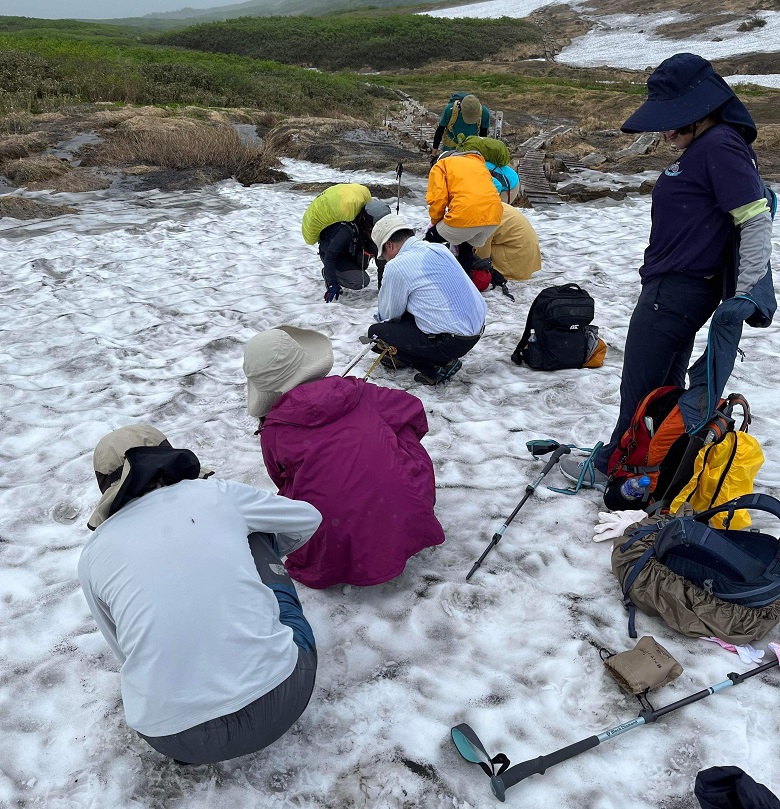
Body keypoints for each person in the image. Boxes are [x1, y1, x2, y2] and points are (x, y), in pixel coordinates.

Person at [558, 53, 775, 490]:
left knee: (639, 383)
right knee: (663, 385)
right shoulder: (708, 146)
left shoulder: (719, 146)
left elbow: (754, 218)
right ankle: (653, 458)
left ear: (700, 111)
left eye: (673, 118)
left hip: (677, 289)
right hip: (679, 288)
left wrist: (747, 291)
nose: (664, 129)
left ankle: (612, 465)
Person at [78, 424, 322, 765]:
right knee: (257, 530)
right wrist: (252, 557)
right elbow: (306, 518)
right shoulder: (215, 494)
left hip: (172, 737)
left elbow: (121, 646)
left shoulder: (92, 555)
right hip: (284, 697)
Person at [243, 325, 445, 588]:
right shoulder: (360, 394)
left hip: (336, 542)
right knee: (397, 428)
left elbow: (280, 479)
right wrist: (388, 451)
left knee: (305, 484)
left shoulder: (274, 432)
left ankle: (358, 527)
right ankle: (397, 506)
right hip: (404, 511)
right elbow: (413, 409)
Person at [367, 214, 488, 385]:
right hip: (476, 329)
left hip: (452, 341)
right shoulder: (439, 249)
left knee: (376, 333)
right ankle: (426, 354)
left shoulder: (397, 266)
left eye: (384, 254)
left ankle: (437, 366)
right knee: (408, 312)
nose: (385, 259)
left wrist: (390, 337)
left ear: (389, 245)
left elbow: (389, 315)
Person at [425, 149, 503, 274]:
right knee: (465, 246)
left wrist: (435, 222)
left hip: (467, 214)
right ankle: (466, 284)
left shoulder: (441, 165)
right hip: (494, 216)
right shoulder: (477, 164)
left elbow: (438, 198)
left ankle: (428, 278)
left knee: (430, 240)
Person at [319, 197, 390, 302]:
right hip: (334, 256)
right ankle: (329, 273)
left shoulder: (367, 230)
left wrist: (383, 288)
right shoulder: (346, 230)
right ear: (369, 224)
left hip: (351, 251)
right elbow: (329, 257)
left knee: (378, 248)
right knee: (361, 281)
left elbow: (381, 258)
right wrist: (332, 283)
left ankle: (382, 286)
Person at [475, 202, 542, 281]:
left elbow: (481, 251)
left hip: (517, 256)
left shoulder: (483, 216)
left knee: (475, 245)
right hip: (526, 253)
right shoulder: (492, 204)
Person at [430, 93, 489, 161]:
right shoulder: (450, 110)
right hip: (451, 148)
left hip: (471, 149)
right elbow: (439, 131)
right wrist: (433, 155)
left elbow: (483, 136)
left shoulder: (484, 113)